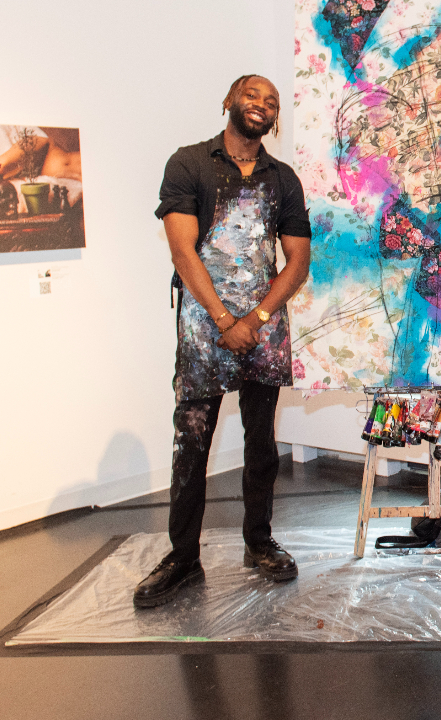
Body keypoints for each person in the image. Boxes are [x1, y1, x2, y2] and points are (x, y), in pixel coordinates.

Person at [133, 74, 313, 608]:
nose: (261, 105)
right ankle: (182, 558)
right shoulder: (188, 163)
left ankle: (260, 542)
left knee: (262, 446)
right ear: (229, 103)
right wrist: (221, 318)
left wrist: (254, 319)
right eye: (252, 95)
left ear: (274, 119)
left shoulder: (283, 178)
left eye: (271, 102)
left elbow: (297, 260)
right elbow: (182, 251)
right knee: (192, 444)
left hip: (263, 328)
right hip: (203, 328)